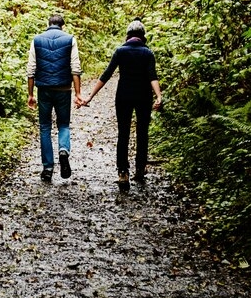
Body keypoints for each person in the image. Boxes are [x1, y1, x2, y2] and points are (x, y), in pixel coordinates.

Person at [79, 19, 162, 192]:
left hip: (123, 96)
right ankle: (140, 169)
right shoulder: (148, 53)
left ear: (128, 35)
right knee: (142, 132)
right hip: (143, 96)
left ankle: (123, 172)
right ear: (143, 36)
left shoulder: (120, 51)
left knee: (123, 133)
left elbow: (106, 75)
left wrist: (90, 97)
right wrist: (158, 96)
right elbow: (152, 76)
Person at [26, 13, 82, 182]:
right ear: (62, 25)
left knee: (44, 126)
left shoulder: (37, 40)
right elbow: (75, 67)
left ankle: (48, 168)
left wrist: (30, 94)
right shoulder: (70, 39)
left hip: (44, 90)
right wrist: (78, 93)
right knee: (63, 124)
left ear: (48, 23)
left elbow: (31, 69)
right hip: (64, 89)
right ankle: (63, 151)